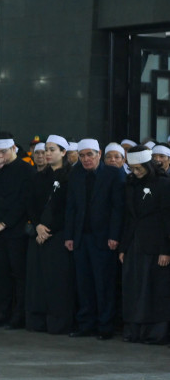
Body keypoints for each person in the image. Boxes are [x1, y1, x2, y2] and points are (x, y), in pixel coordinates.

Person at [65, 138, 125, 340]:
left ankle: (105, 326)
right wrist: (70, 236)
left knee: (103, 284)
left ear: (99, 154)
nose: (86, 159)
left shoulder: (113, 174)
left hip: (104, 238)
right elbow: (71, 208)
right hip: (81, 238)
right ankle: (86, 324)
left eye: (89, 154)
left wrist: (114, 236)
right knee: (84, 284)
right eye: (82, 156)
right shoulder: (75, 175)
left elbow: (118, 208)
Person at [119, 146, 170, 344]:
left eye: (140, 169)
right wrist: (123, 247)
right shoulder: (131, 184)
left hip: (156, 245)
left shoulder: (164, 184)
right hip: (134, 244)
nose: (136, 173)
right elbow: (128, 218)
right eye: (133, 169)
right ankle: (134, 331)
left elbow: (167, 219)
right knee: (134, 288)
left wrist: (166, 250)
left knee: (154, 290)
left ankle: (155, 333)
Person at [0, 133, 34, 329]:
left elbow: (23, 202)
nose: (0, 155)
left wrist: (5, 223)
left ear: (14, 149)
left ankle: (18, 315)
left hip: (15, 231)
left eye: (3, 152)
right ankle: (1, 312)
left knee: (18, 275)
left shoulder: (25, 170)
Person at [25, 135, 75, 334]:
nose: (47, 153)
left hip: (58, 235)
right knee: (37, 281)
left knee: (57, 281)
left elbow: (69, 208)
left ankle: (58, 323)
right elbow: (30, 204)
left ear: (63, 152)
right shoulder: (38, 177)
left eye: (52, 150)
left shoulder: (71, 176)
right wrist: (38, 226)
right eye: (46, 150)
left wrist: (49, 229)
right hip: (39, 235)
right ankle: (37, 321)